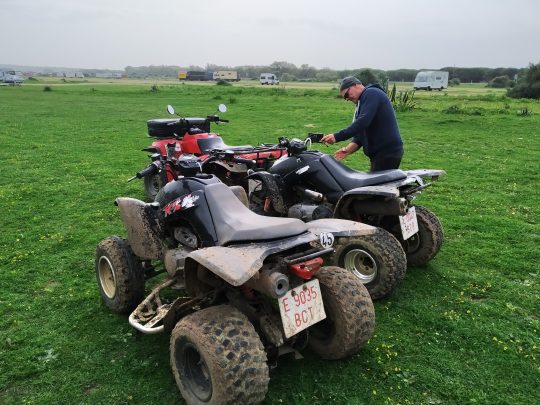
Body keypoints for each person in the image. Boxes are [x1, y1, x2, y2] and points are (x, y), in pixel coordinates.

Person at [320, 76, 404, 171]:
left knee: (378, 185)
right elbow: (361, 133)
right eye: (345, 98)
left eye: (347, 94)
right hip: (382, 153)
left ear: (356, 85)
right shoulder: (363, 100)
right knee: (379, 184)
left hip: (387, 151)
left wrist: (337, 136)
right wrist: (347, 150)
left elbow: (362, 122)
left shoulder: (371, 93)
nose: (347, 99)